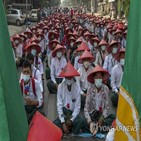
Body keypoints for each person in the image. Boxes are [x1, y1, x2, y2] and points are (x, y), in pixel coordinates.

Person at [54, 62, 89, 134]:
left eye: (70, 77)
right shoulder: (60, 87)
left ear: (73, 77)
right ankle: (68, 128)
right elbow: (59, 105)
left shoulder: (77, 87)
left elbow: (77, 107)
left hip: (73, 114)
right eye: (67, 77)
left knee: (82, 121)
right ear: (64, 77)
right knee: (54, 125)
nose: (69, 79)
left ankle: (70, 129)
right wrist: (63, 122)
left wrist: (71, 120)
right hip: (64, 113)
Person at [84, 65, 115, 135]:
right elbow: (86, 109)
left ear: (102, 78)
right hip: (92, 115)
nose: (98, 79)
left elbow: (106, 107)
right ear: (94, 78)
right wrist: (89, 122)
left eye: (100, 77)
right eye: (96, 77)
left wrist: (101, 119)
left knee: (113, 118)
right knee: (82, 122)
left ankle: (98, 128)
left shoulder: (106, 88)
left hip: (101, 116)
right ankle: (95, 127)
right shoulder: (90, 89)